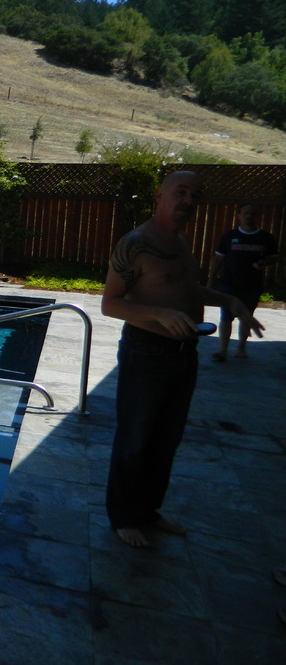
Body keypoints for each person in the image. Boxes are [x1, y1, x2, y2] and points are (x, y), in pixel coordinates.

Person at [101, 170, 263, 548]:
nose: (188, 201)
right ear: (160, 196)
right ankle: (123, 515)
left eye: (195, 195)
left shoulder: (180, 240)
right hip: (146, 352)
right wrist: (158, 314)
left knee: (166, 439)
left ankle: (148, 510)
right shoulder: (136, 243)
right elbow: (110, 304)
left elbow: (185, 288)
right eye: (181, 192)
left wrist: (230, 301)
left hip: (184, 352)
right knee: (136, 437)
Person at [207, 202, 279, 361]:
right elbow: (218, 258)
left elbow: (274, 257)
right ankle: (223, 350)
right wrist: (211, 279)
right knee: (225, 317)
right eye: (245, 213)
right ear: (239, 216)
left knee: (246, 317)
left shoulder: (265, 238)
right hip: (229, 283)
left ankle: (241, 347)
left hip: (252, 285)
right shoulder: (229, 236)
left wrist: (264, 262)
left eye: (252, 213)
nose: (249, 216)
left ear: (257, 216)